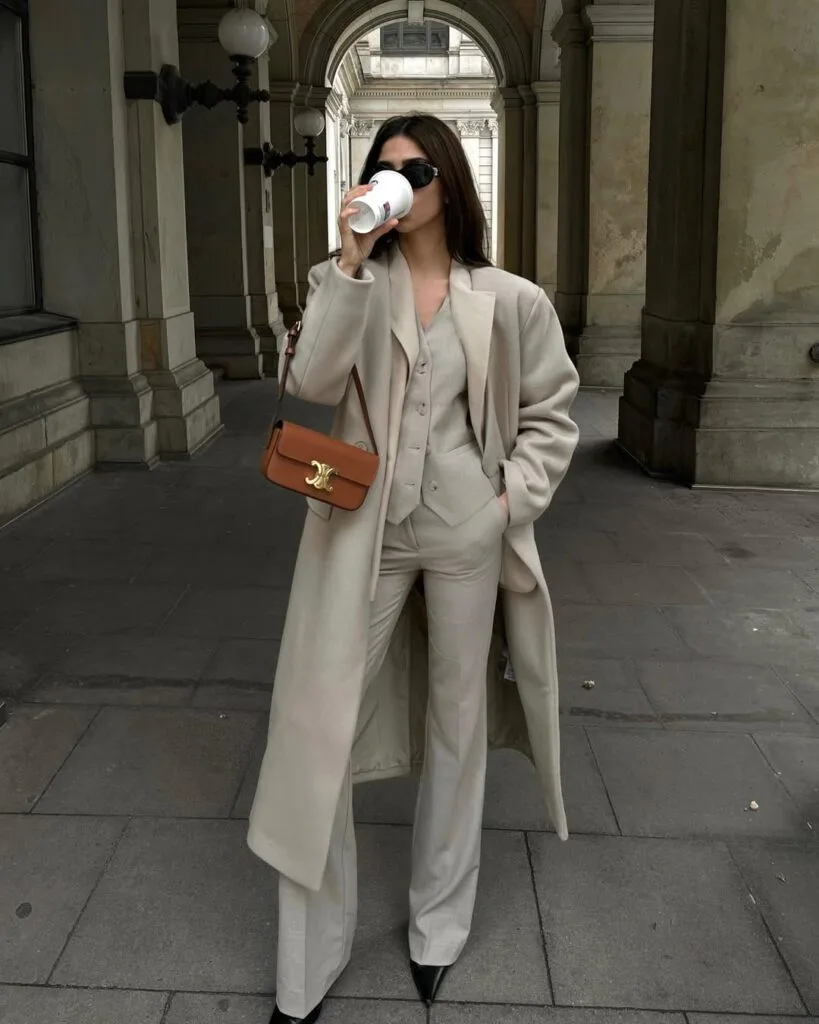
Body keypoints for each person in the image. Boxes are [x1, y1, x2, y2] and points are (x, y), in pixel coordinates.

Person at [248, 113, 580, 1024]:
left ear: (450, 183)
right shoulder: (347, 281)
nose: (399, 180)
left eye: (416, 167)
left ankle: (438, 924)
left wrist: (506, 505)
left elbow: (553, 413)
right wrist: (351, 259)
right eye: (382, 167)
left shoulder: (508, 297)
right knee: (318, 728)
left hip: (470, 531)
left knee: (456, 723)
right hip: (367, 529)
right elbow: (312, 381)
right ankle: (307, 962)